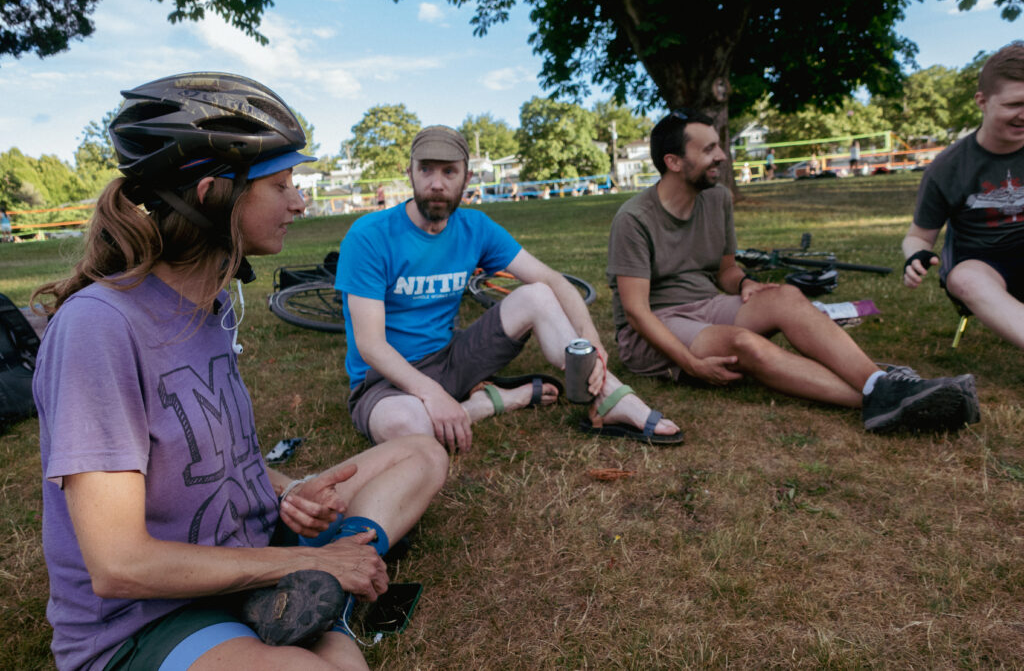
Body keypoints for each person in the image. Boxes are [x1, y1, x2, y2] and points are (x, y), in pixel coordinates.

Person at [31, 73, 448, 671]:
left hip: (245, 553)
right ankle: (327, 588)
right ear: (213, 194)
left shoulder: (211, 305)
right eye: (281, 185)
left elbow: (216, 459)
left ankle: (326, 589)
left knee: (421, 454)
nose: (299, 202)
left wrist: (290, 492)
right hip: (152, 614)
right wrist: (308, 564)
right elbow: (118, 563)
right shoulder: (99, 328)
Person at [606, 109, 979, 433]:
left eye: (719, 145)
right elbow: (637, 314)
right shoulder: (634, 219)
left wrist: (747, 283)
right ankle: (892, 398)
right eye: (708, 150)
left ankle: (880, 385)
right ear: (673, 162)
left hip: (707, 303)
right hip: (652, 329)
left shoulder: (717, 199)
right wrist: (691, 364)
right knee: (745, 344)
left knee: (785, 296)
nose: (721, 156)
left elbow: (727, 272)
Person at [335, 125, 683, 452]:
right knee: (410, 428)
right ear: (409, 172)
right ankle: (485, 404)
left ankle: (610, 397)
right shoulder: (369, 236)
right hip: (385, 381)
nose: (437, 183)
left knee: (538, 294)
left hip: (452, 360)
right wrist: (429, 393)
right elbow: (371, 345)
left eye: (449, 172)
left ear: (466, 178)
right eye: (426, 170)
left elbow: (551, 280)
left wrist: (590, 340)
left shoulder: (475, 227)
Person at [901, 41, 1024, 351]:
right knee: (965, 278)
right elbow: (918, 236)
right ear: (982, 101)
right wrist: (914, 256)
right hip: (983, 265)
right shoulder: (948, 167)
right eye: (1014, 104)